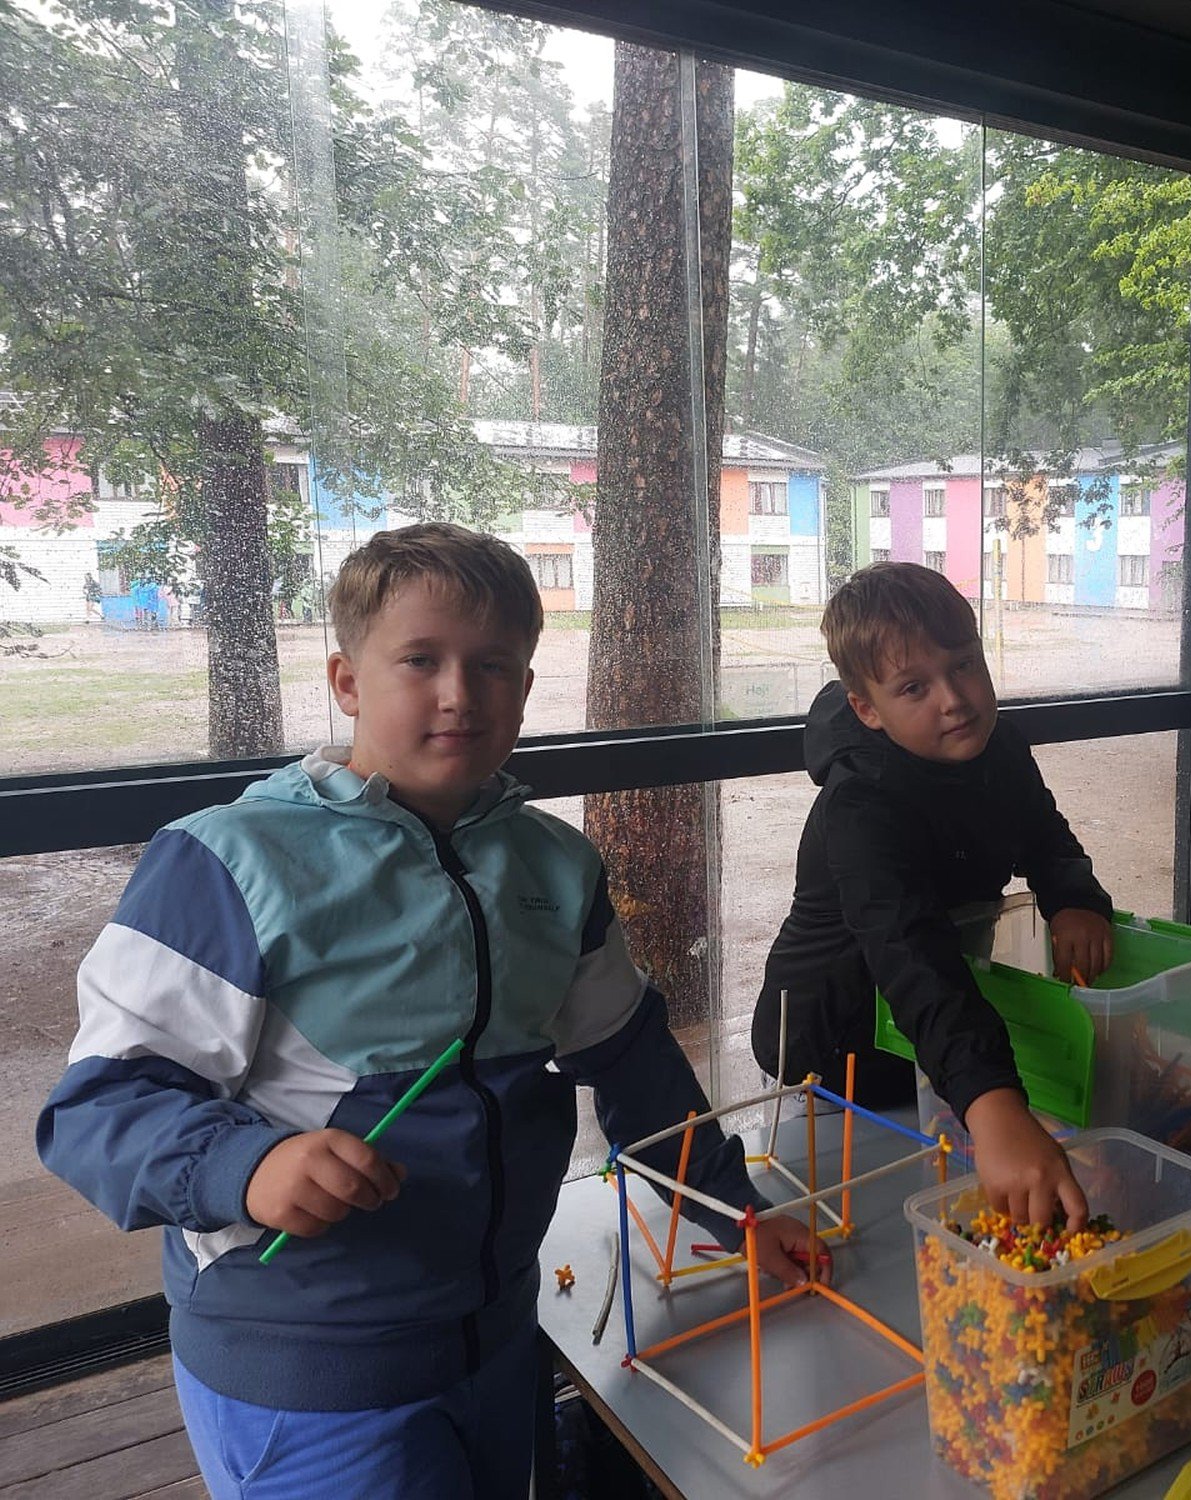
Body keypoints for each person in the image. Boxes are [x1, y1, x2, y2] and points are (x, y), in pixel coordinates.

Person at [37, 522, 813, 1499]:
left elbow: (635, 1067)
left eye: (493, 665)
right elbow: (97, 1111)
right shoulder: (229, 862)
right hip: (308, 1376)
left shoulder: (553, 866)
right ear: (347, 681)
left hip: (502, 1340)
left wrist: (736, 1213)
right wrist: (249, 1166)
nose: (460, 693)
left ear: (525, 689)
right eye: (420, 660)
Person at [752, 562, 1115, 1229]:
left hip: (938, 1023)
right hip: (834, 1044)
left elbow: (1043, 833)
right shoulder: (860, 802)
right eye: (914, 687)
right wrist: (992, 1102)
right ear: (867, 709)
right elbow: (910, 953)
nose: (953, 699)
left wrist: (1075, 898)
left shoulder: (999, 745)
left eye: (965, 665)